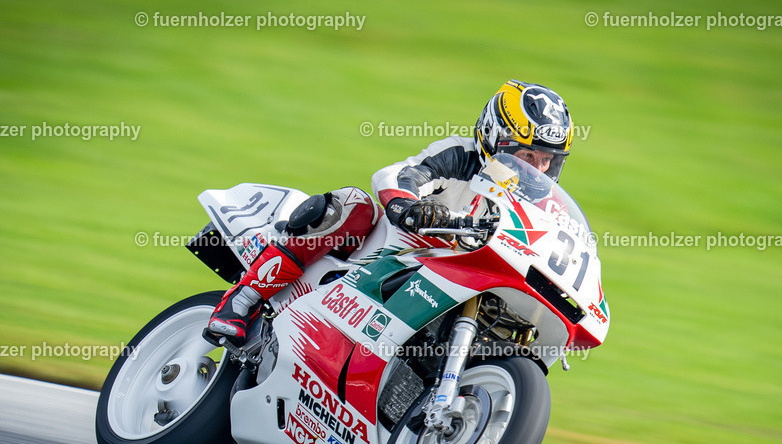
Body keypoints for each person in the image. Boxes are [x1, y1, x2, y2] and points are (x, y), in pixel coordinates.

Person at [205, 79, 574, 346]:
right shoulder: (461, 157)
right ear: (495, 138)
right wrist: (408, 205)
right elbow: (398, 175)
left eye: (547, 160)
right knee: (354, 205)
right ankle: (242, 300)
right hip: (393, 252)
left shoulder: (536, 205)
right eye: (528, 155)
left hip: (456, 280)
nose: (537, 169)